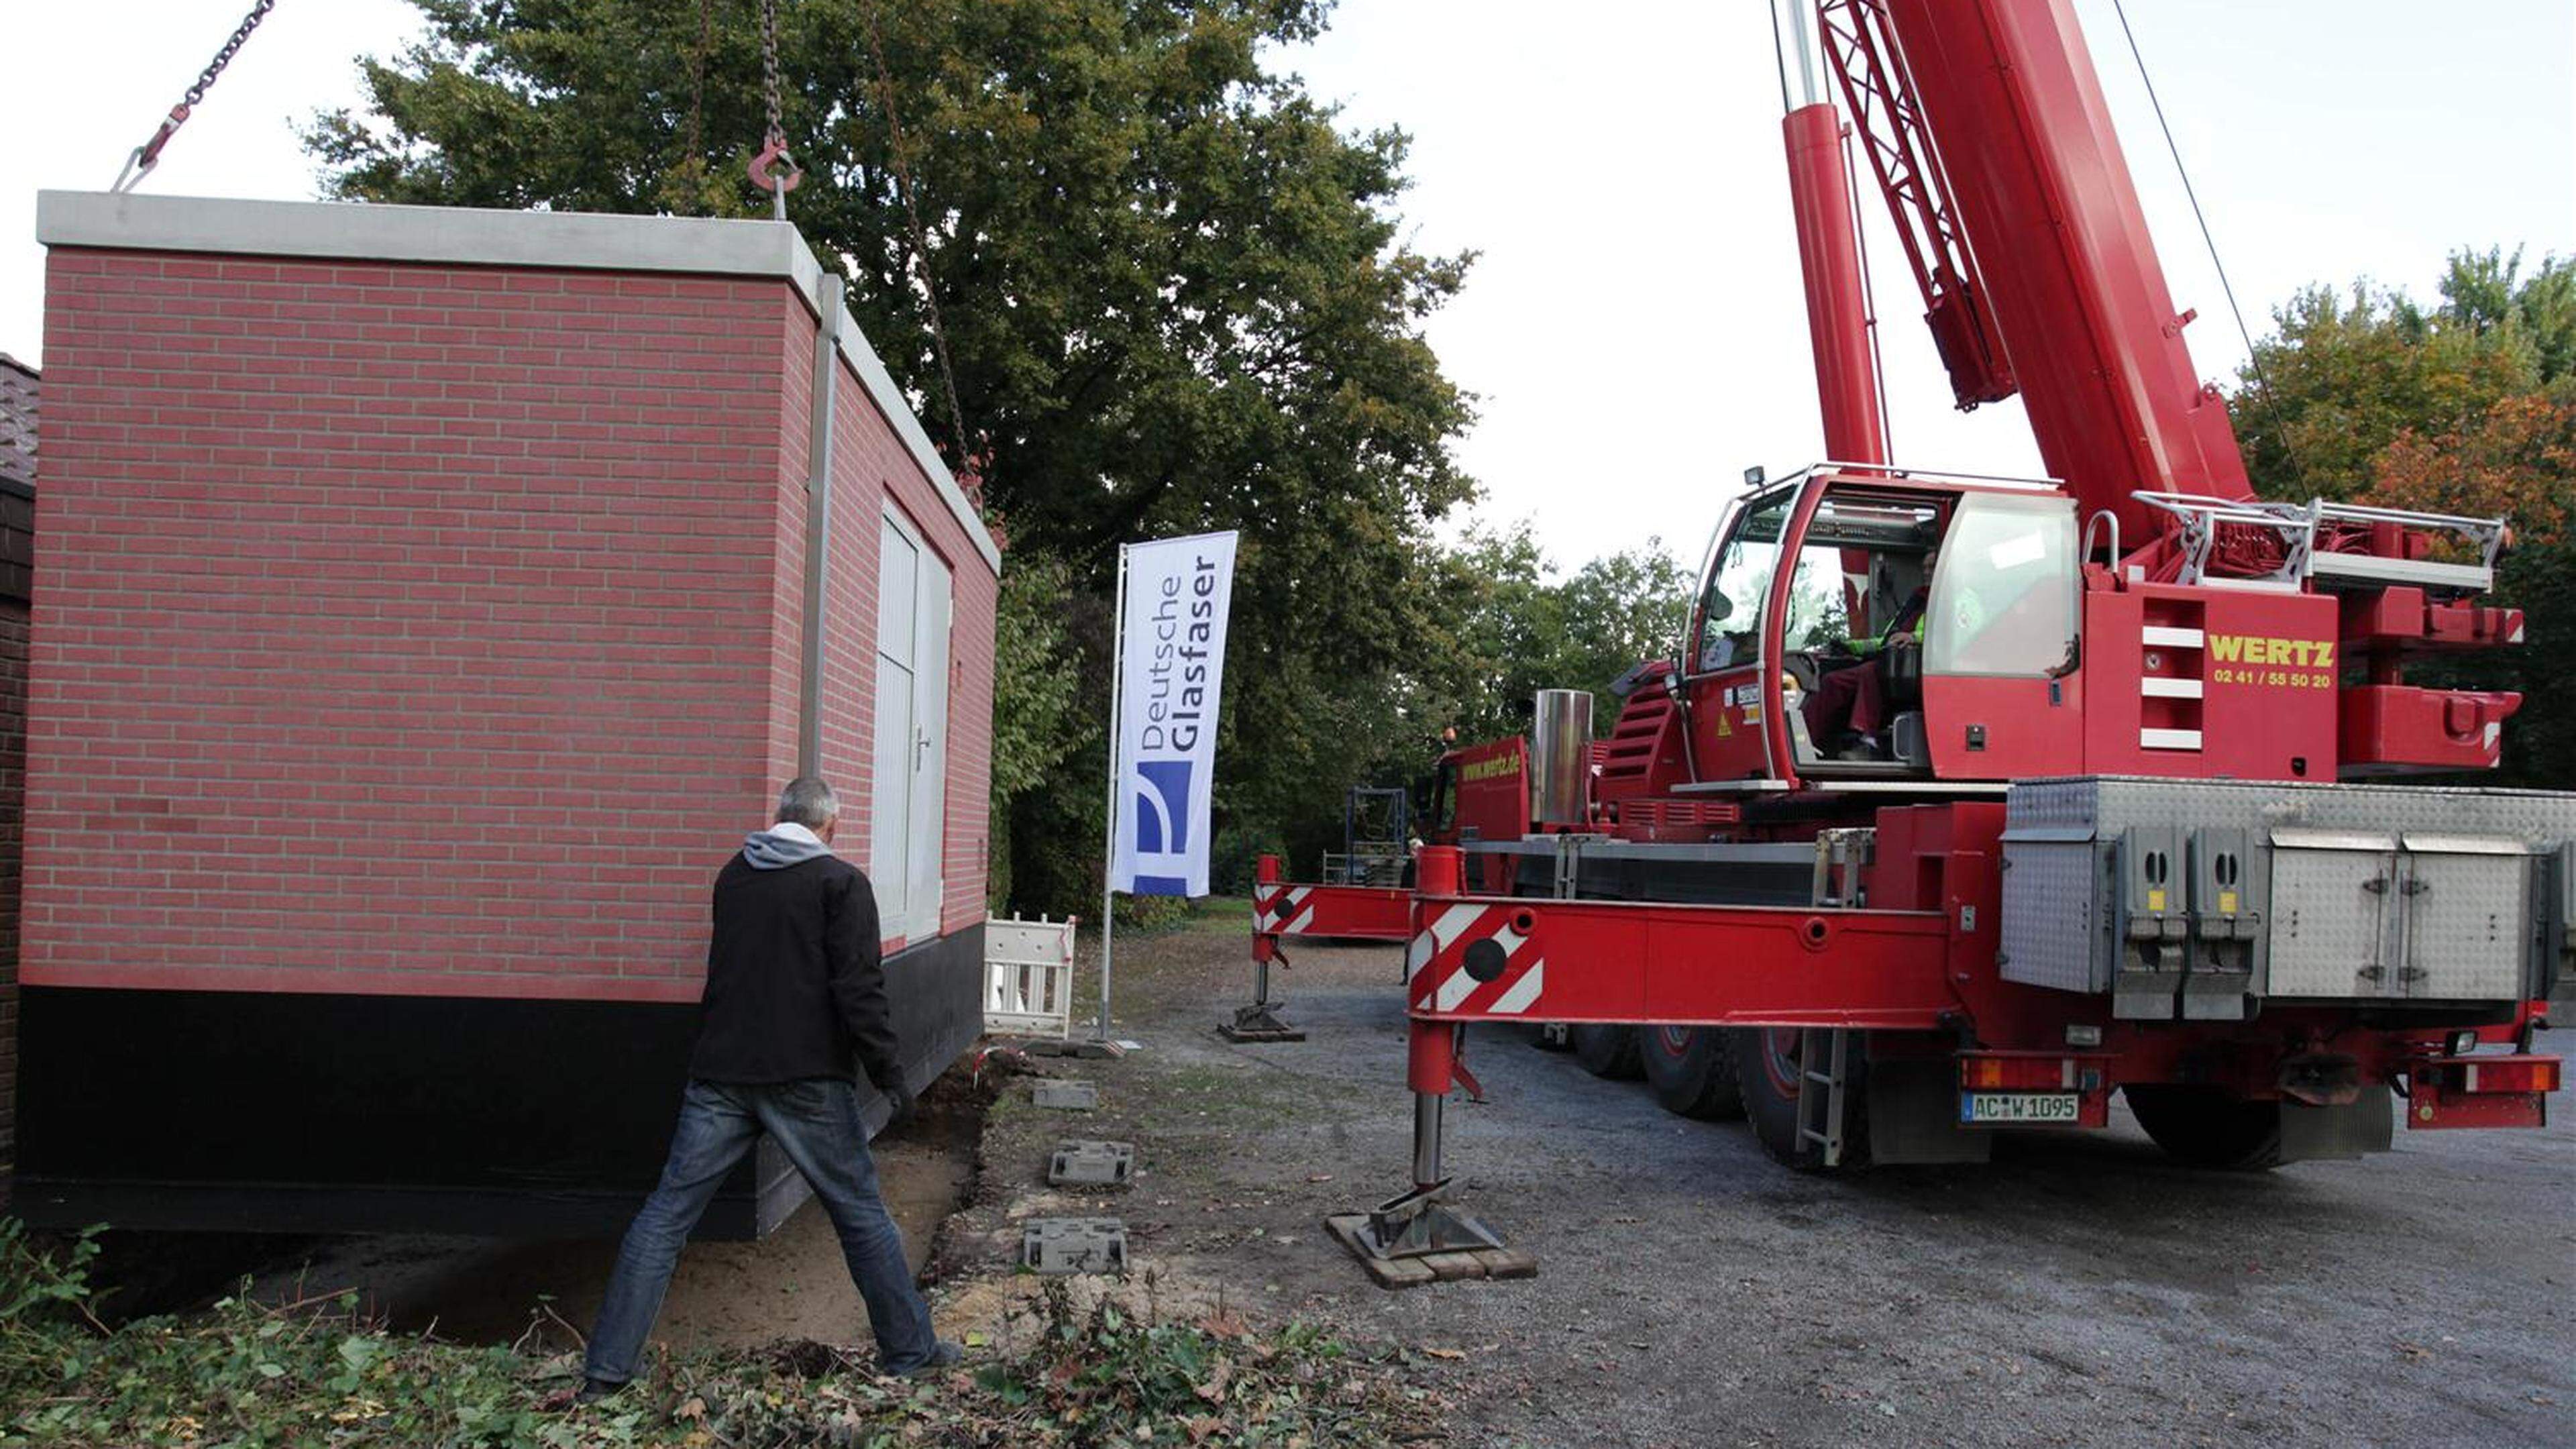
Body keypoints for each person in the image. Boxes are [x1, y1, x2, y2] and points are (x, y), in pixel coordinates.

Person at [579, 777, 959, 1400]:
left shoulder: (734, 876)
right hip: (806, 1079)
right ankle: (910, 1352)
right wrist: (891, 1076)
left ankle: (607, 1372)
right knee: (860, 1214)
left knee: (666, 1216)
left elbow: (727, 973)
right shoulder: (840, 883)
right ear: (829, 829)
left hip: (722, 1073)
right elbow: (859, 991)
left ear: (780, 818)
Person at [1800, 548, 1935, 757]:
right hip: (1895, 666)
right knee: (1833, 681)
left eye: (1932, 567)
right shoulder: (1916, 600)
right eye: (1925, 567)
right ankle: (1804, 743)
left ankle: (1867, 740)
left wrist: (1914, 638)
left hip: (1927, 672)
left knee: (1869, 672)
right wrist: (1849, 646)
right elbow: (1885, 640)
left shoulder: (1956, 600)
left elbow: (1959, 635)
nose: (1927, 572)